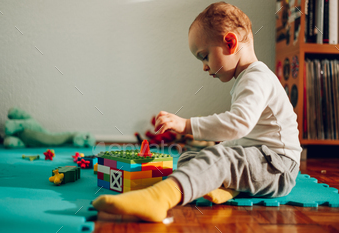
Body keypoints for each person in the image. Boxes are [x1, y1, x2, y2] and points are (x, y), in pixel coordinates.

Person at [92, 1, 302, 222]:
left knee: (219, 157)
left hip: (278, 167)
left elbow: (239, 124)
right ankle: (221, 186)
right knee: (191, 155)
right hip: (259, 158)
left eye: (204, 56)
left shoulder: (256, 78)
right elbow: (243, 137)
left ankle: (159, 199)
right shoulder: (245, 79)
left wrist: (186, 125)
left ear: (230, 43)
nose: (204, 66)